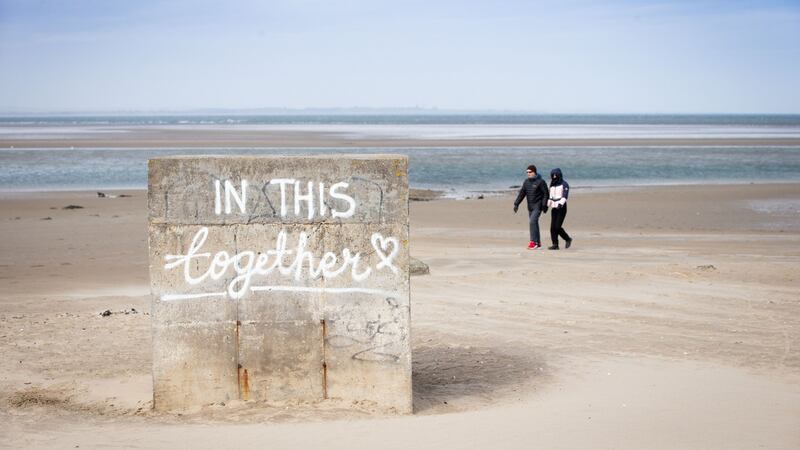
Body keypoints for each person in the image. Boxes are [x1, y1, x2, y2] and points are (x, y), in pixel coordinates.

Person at [513, 164, 549, 250]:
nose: (528, 173)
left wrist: (544, 205)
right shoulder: (526, 182)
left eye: (530, 172)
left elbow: (546, 194)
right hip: (530, 207)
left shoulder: (541, 182)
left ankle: (533, 242)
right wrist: (516, 203)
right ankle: (538, 243)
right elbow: (522, 194)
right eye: (527, 172)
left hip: (538, 206)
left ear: (534, 172)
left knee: (532, 222)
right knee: (534, 223)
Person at [547, 168, 572, 250]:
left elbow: (565, 196)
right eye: (553, 175)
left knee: (557, 227)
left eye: (555, 175)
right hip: (554, 207)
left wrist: (560, 204)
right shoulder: (552, 184)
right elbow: (550, 197)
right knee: (552, 227)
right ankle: (555, 244)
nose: (554, 177)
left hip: (561, 208)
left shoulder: (564, 184)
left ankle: (567, 239)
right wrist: (546, 205)